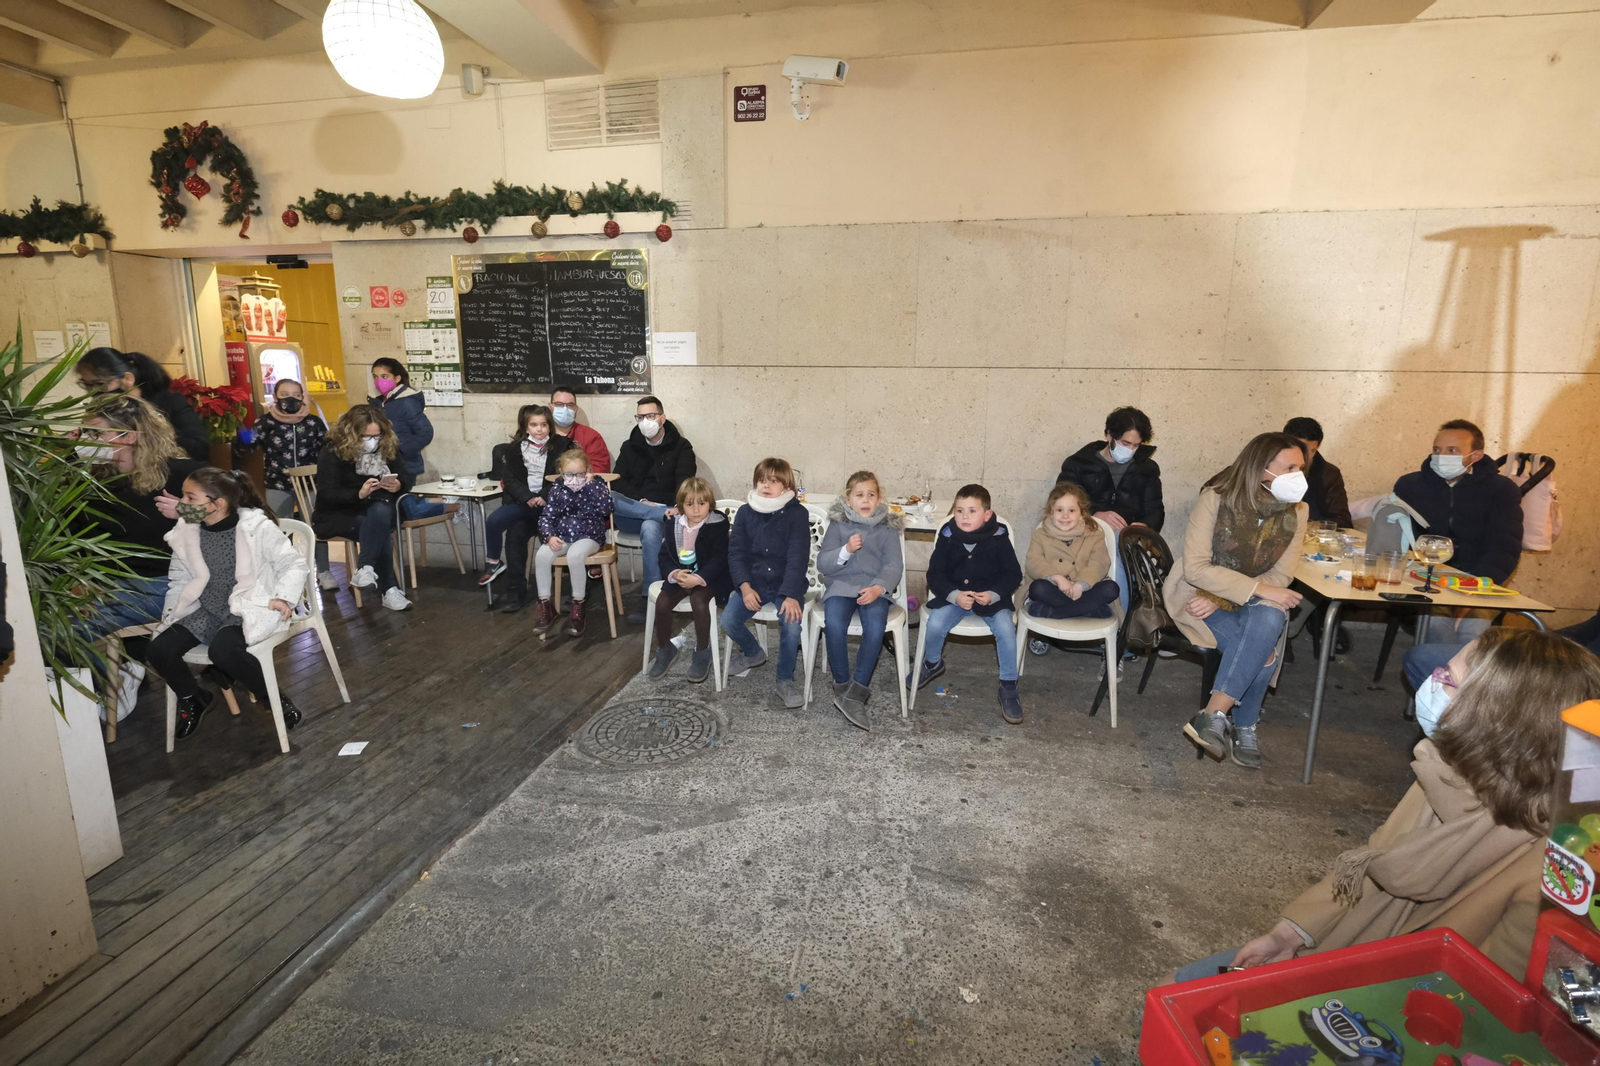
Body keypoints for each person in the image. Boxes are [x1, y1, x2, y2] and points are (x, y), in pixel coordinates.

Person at [1166, 629, 1600, 984]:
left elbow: (1491, 1001)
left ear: (1498, 719)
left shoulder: (1558, 871)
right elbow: (1371, 865)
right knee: (1176, 988)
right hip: (1350, 942)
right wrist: (1292, 931)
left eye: (1448, 679)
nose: (1431, 684)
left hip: (1404, 999)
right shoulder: (1447, 771)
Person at [1166, 431, 1308, 770]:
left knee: (1269, 619)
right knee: (1266, 651)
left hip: (1241, 600)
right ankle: (1244, 725)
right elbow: (1197, 569)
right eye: (1289, 467)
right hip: (1196, 596)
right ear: (1261, 468)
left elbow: (1281, 576)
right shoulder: (1216, 498)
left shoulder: (1297, 512)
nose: (1298, 476)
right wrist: (1228, 595)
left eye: (1301, 467)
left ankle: (1214, 713)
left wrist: (1230, 595)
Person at [147, 467, 309, 741]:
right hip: (207, 608)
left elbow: (292, 563)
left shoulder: (256, 528)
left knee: (224, 651)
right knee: (159, 648)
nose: (182, 504)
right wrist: (173, 612)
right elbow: (179, 577)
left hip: (249, 605)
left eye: (190, 498)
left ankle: (275, 700)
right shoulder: (186, 530)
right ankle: (194, 697)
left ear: (218, 504)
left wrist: (283, 596)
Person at [73, 396, 206, 646]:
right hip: (114, 584)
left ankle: (117, 680)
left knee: (70, 632)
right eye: (84, 432)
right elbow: (77, 535)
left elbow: (236, 514)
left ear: (129, 436)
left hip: (169, 584)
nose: (86, 439)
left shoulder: (180, 474)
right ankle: (119, 678)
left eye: (95, 432)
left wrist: (187, 512)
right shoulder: (97, 482)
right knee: (48, 625)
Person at [1394, 419, 1524, 644]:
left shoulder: (1501, 490)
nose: (1441, 456)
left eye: (1452, 450)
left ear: (1476, 455)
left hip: (1481, 578)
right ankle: (1445, 675)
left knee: (1473, 632)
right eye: (1437, 450)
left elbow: (1504, 544)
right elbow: (1400, 538)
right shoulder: (1410, 485)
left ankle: (1463, 675)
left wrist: (1474, 588)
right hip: (1427, 577)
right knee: (1437, 630)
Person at [912, 484, 1026, 725]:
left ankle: (1008, 684)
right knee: (936, 623)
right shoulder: (947, 535)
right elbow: (934, 575)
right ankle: (932, 663)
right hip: (955, 597)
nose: (964, 516)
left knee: (1006, 629)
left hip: (990, 599)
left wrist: (994, 594)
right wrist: (954, 595)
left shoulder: (999, 536)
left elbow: (1013, 574)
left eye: (972, 511)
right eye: (960, 510)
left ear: (987, 515)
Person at [817, 471, 906, 730]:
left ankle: (858, 691)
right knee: (833, 623)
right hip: (841, 587)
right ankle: (842, 685)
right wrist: (845, 550)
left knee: (875, 627)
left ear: (878, 499)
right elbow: (823, 563)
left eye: (871, 495)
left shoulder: (887, 528)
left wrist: (879, 588)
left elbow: (893, 566)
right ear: (848, 499)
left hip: (874, 590)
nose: (866, 500)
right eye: (859, 495)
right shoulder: (838, 524)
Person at [1056, 406, 1163, 614]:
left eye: (1136, 445)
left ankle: (1121, 623)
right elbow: (1060, 501)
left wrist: (1143, 526)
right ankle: (1122, 624)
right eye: (1125, 443)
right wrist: (1095, 513)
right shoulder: (1079, 464)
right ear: (1108, 434)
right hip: (1082, 532)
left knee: (1121, 545)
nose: (1130, 450)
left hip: (1125, 538)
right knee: (1116, 544)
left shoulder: (1147, 469)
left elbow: (1155, 510)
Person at [723, 457, 811, 709]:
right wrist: (744, 586)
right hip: (755, 583)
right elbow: (736, 554)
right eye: (761, 480)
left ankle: (784, 679)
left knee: (792, 626)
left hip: (786, 584)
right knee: (728, 620)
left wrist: (792, 594)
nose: (765, 485)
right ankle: (753, 652)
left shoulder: (797, 513)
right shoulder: (745, 512)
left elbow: (798, 557)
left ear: (786, 487)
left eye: (773, 481)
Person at [312, 405, 413, 611]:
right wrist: (358, 494)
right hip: (338, 514)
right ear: (352, 433)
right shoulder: (332, 451)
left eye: (377, 436)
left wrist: (398, 484)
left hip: (376, 509)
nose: (373, 441)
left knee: (379, 514)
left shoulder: (387, 446)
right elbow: (326, 493)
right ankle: (389, 589)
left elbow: (405, 476)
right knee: (379, 524)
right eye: (367, 436)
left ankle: (366, 568)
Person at [611, 395, 697, 623]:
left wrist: (673, 506)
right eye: (640, 417)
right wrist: (641, 500)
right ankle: (654, 513)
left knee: (650, 529)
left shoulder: (681, 446)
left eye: (650, 416)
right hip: (637, 510)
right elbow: (618, 481)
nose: (645, 421)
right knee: (607, 495)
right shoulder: (630, 447)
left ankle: (649, 595)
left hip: (671, 511)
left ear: (662, 418)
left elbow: (685, 480)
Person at [486, 405, 579, 613]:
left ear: (550, 426)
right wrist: (528, 497)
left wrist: (544, 496)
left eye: (544, 425)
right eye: (534, 425)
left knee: (573, 536)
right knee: (514, 534)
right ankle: (516, 591)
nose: (539, 429)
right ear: (526, 427)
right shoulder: (513, 449)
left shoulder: (564, 445)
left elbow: (568, 476)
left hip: (554, 508)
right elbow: (509, 479)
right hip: (525, 505)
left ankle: (577, 594)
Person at [248, 378, 332, 588]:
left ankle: (323, 571)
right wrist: (241, 438)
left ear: (303, 396)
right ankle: (282, 574)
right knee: (279, 529)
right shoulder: (265, 422)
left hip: (310, 484)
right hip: (277, 484)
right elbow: (246, 448)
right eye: (284, 395)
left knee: (316, 527)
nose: (290, 399)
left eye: (295, 394)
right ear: (275, 397)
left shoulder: (313, 422)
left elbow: (327, 450)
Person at [648, 476, 729, 684]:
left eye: (701, 504)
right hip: (681, 575)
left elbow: (719, 558)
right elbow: (664, 556)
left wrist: (699, 577)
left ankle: (702, 651)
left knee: (699, 602)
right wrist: (675, 574)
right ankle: (665, 649)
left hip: (708, 577)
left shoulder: (716, 524)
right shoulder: (674, 524)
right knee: (663, 602)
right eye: (689, 504)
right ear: (681, 505)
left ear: (710, 504)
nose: (696, 510)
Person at [532, 449, 614, 637]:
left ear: (588, 470)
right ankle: (546, 606)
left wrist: (591, 484)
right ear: (561, 472)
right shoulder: (557, 488)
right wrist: (549, 536)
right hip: (563, 536)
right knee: (542, 555)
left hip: (589, 536)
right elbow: (547, 516)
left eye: (580, 474)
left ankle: (578, 607)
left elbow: (607, 508)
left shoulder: (596, 484)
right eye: (569, 474)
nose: (575, 478)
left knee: (575, 555)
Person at [76, 347, 209, 459]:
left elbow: (199, 448)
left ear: (128, 379)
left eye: (100, 384)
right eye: (86, 385)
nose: (93, 391)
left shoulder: (170, 402)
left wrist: (151, 433)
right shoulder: (100, 409)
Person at [368, 358, 450, 523]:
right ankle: (441, 501)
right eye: (375, 377)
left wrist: (401, 451)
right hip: (382, 466)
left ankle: (453, 505)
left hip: (405, 466)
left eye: (384, 376)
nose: (379, 381)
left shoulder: (407, 402)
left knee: (409, 511)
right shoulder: (378, 404)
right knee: (396, 510)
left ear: (397, 378)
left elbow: (425, 432)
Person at [1024, 481, 1118, 623]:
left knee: (1111, 589)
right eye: (1059, 510)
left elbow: (1099, 563)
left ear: (1082, 514)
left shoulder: (1094, 535)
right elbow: (1034, 562)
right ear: (1050, 512)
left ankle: (1055, 613)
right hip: (1054, 590)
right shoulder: (1040, 535)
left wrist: (1081, 584)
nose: (1065, 516)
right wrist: (1057, 578)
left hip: (1085, 590)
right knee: (1037, 588)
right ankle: (1091, 610)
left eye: (1071, 510)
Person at [1283, 416, 1352, 529]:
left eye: (1312, 450)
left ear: (1318, 446)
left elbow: (1343, 521)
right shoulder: (1271, 469)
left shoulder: (1329, 473)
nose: (1307, 456)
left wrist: (1309, 525)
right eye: (1301, 449)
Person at [548, 385, 611, 474]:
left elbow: (600, 471)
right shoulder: (540, 435)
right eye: (559, 405)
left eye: (570, 405)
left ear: (575, 408)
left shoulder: (591, 436)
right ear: (550, 407)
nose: (565, 409)